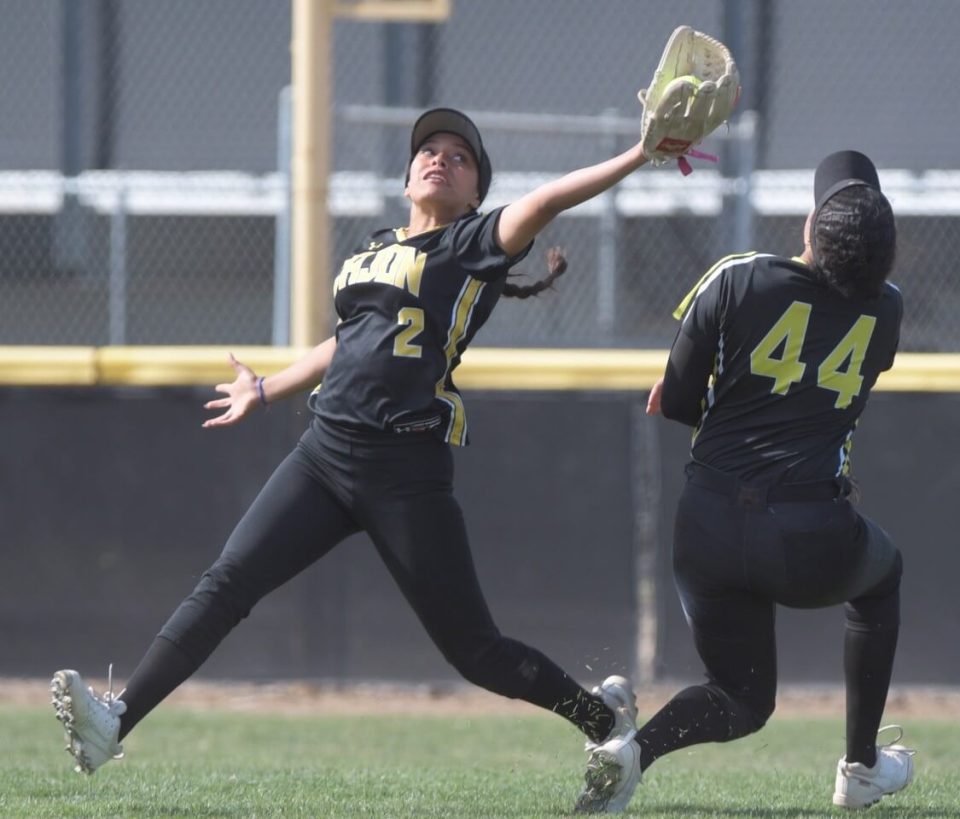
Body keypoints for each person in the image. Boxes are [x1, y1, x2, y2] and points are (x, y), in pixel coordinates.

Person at [51, 108, 650, 776]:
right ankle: (116, 720)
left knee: (476, 651)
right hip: (326, 454)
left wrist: (639, 153)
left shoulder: (469, 245)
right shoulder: (372, 249)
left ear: (477, 194)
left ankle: (602, 719)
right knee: (226, 584)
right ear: (405, 178)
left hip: (406, 471)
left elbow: (547, 200)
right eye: (429, 148)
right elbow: (346, 342)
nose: (440, 157)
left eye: (460, 155)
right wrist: (267, 387)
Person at [574, 150, 914, 814]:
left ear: (814, 227)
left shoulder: (739, 278)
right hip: (809, 532)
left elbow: (672, 401)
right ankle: (861, 765)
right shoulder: (891, 312)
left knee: (740, 694)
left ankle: (632, 752)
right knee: (884, 574)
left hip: (711, 522)